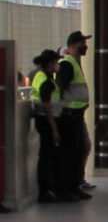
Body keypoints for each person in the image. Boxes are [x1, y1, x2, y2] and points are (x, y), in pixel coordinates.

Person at [31, 49, 77, 203]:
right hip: (47, 122)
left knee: (48, 157)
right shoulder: (46, 81)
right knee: (48, 158)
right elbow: (47, 106)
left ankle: (50, 190)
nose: (58, 65)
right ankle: (45, 192)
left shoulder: (40, 76)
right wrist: (55, 129)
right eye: (56, 62)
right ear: (51, 64)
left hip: (44, 121)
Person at [56, 31, 93, 199]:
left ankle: (75, 185)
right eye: (81, 44)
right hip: (69, 115)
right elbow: (60, 89)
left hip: (77, 115)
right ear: (71, 46)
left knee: (81, 149)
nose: (84, 46)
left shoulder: (75, 63)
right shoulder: (67, 64)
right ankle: (67, 189)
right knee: (71, 152)